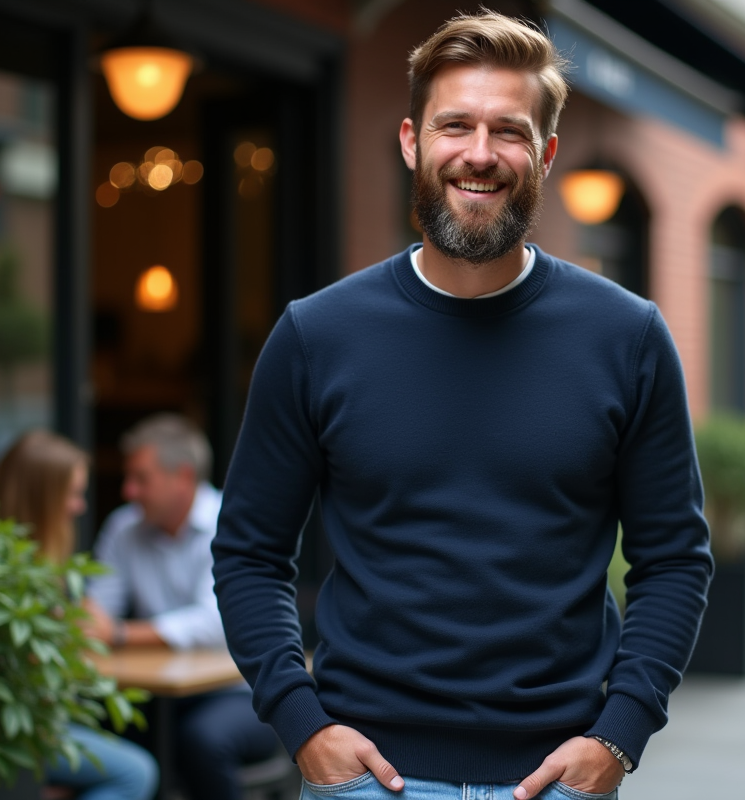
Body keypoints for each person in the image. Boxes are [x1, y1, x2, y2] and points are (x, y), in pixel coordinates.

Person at [213, 12, 713, 800]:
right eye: (456, 125)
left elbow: (675, 558)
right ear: (412, 142)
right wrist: (301, 723)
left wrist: (619, 735)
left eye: (509, 131)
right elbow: (249, 552)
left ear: (546, 154)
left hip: (558, 778)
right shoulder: (318, 335)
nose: (480, 154)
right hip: (370, 780)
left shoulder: (627, 337)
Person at [84, 414, 279, 800]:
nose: (128, 490)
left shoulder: (233, 523)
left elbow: (216, 622)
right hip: (155, 694)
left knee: (201, 740)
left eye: (142, 478)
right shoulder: (123, 528)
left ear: (183, 477)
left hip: (240, 693)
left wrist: (119, 633)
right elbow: (97, 610)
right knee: (109, 732)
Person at [0, 430, 158, 800]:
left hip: (39, 724)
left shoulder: (30, 559)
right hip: (16, 731)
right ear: (41, 497)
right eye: (73, 493)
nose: (80, 507)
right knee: (136, 773)